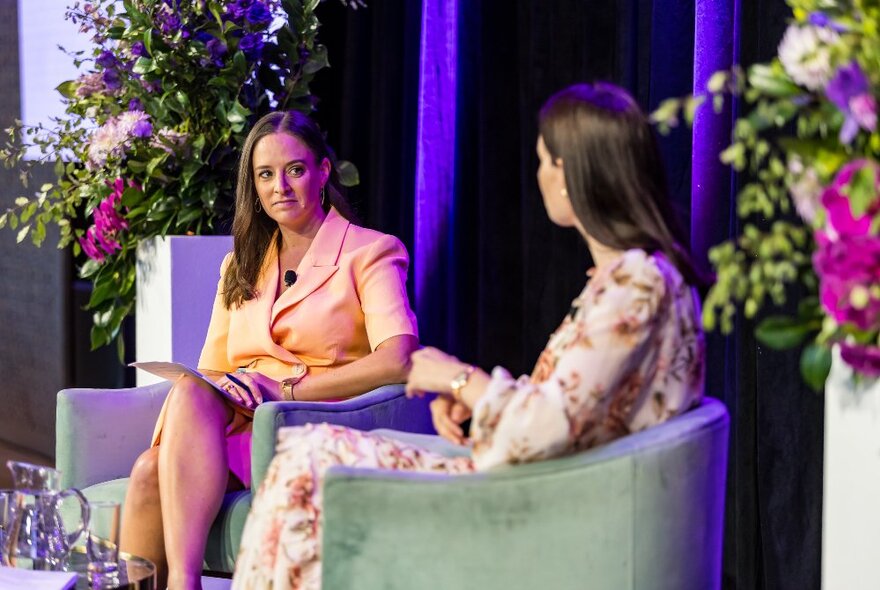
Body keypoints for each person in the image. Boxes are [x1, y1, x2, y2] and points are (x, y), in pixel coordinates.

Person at [231, 82, 706, 589]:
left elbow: (549, 423)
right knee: (307, 455)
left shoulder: (638, 284)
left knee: (307, 458)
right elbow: (570, 401)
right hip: (544, 478)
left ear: (573, 173)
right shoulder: (628, 281)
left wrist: (459, 380)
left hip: (549, 497)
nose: (539, 175)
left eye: (545, 161)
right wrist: (472, 400)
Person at [119, 111, 419, 590]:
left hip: (315, 423)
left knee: (156, 462)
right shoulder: (240, 264)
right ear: (253, 186)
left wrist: (287, 388)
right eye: (265, 175)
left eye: (294, 170)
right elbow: (213, 370)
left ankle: (183, 582)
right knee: (154, 458)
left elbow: (399, 358)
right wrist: (232, 390)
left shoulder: (370, 251)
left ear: (322, 172)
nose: (280, 186)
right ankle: (180, 582)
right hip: (241, 424)